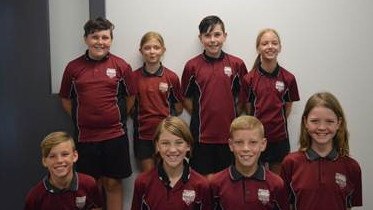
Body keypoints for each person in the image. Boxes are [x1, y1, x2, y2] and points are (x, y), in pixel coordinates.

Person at [59, 17, 136, 210]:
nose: (100, 42)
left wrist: (115, 117)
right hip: (85, 137)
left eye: (105, 37)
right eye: (95, 37)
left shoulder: (121, 66)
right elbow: (66, 99)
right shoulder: (73, 68)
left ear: (111, 40)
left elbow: (131, 97)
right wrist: (82, 118)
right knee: (91, 185)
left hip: (115, 136)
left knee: (112, 183)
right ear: (86, 39)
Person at [181, 15, 248, 178]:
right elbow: (185, 97)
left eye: (217, 34)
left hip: (230, 136)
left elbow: (243, 98)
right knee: (202, 183)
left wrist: (232, 114)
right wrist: (200, 113)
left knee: (228, 181)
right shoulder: (192, 66)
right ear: (200, 38)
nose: (212, 40)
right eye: (207, 35)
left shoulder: (237, 64)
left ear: (225, 35)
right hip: (201, 137)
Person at [280, 92, 362, 210]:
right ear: (305, 122)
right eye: (315, 121)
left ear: (338, 123)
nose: (322, 127)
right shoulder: (290, 163)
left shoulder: (352, 167)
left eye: (329, 121)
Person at [240, 28, 299, 174]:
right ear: (258, 48)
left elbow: (287, 109)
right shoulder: (249, 79)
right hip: (255, 138)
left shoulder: (289, 78)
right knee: (256, 179)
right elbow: (248, 110)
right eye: (265, 43)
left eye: (274, 43)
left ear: (280, 47)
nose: (270, 46)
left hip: (280, 138)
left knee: (278, 182)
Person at [131, 116, 211, 210]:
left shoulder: (201, 185)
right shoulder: (142, 182)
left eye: (179, 143)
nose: (172, 150)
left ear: (188, 145)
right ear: (157, 146)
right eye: (165, 143)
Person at [210, 116, 289, 210]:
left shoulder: (276, 184)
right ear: (231, 145)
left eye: (253, 142)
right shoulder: (216, 183)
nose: (246, 148)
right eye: (239, 142)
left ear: (263, 144)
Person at [132, 31, 183, 173]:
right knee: (148, 177)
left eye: (156, 47)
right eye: (147, 48)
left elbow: (178, 108)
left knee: (166, 175)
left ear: (163, 50)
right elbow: (130, 108)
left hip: (166, 135)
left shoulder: (171, 77)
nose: (152, 52)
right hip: (143, 135)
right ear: (141, 51)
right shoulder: (133, 77)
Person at [25, 131, 102, 210]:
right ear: (44, 161)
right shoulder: (35, 196)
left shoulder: (89, 184)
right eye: (52, 156)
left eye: (65, 154)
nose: (59, 160)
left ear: (75, 156)